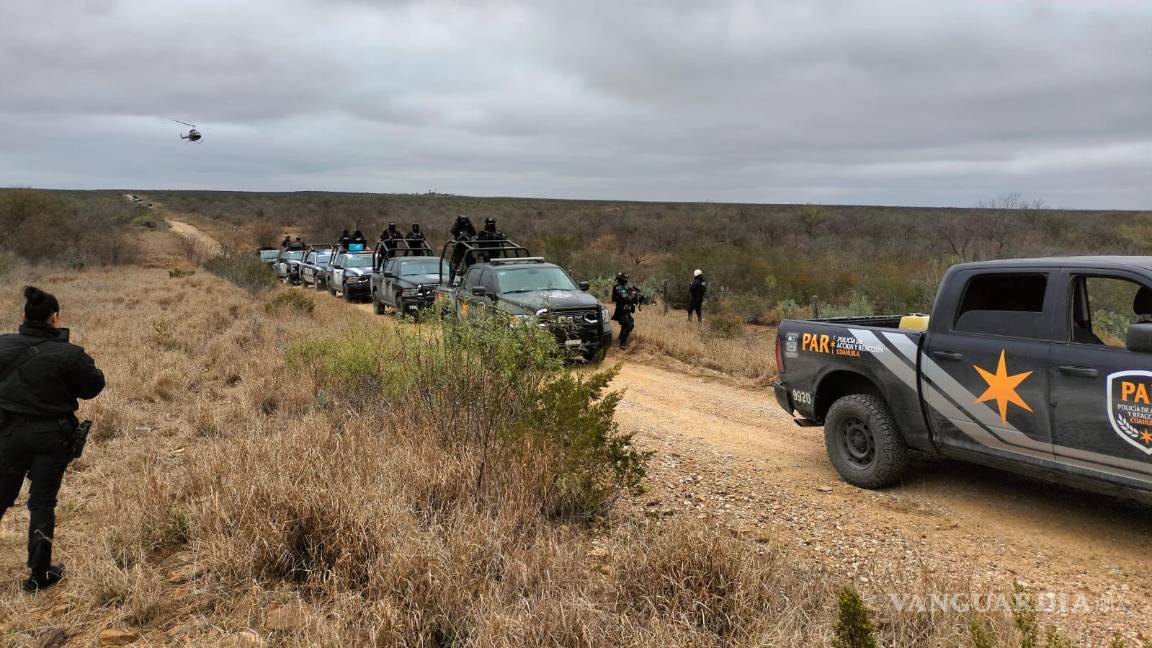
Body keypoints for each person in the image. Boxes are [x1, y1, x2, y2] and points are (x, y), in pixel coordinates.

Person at [0, 287, 105, 593]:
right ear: (55, 318)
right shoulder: (69, 354)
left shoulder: (3, 345)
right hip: (52, 436)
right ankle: (39, 574)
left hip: (7, 433)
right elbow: (93, 387)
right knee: (42, 502)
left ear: (24, 316)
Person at [612, 273, 642, 350]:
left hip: (626, 309)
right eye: (625, 278)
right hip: (621, 309)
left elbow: (632, 298)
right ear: (621, 279)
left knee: (628, 323)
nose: (626, 280)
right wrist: (634, 294)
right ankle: (622, 343)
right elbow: (627, 298)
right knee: (629, 324)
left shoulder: (625, 287)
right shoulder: (618, 288)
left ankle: (621, 339)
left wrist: (638, 296)